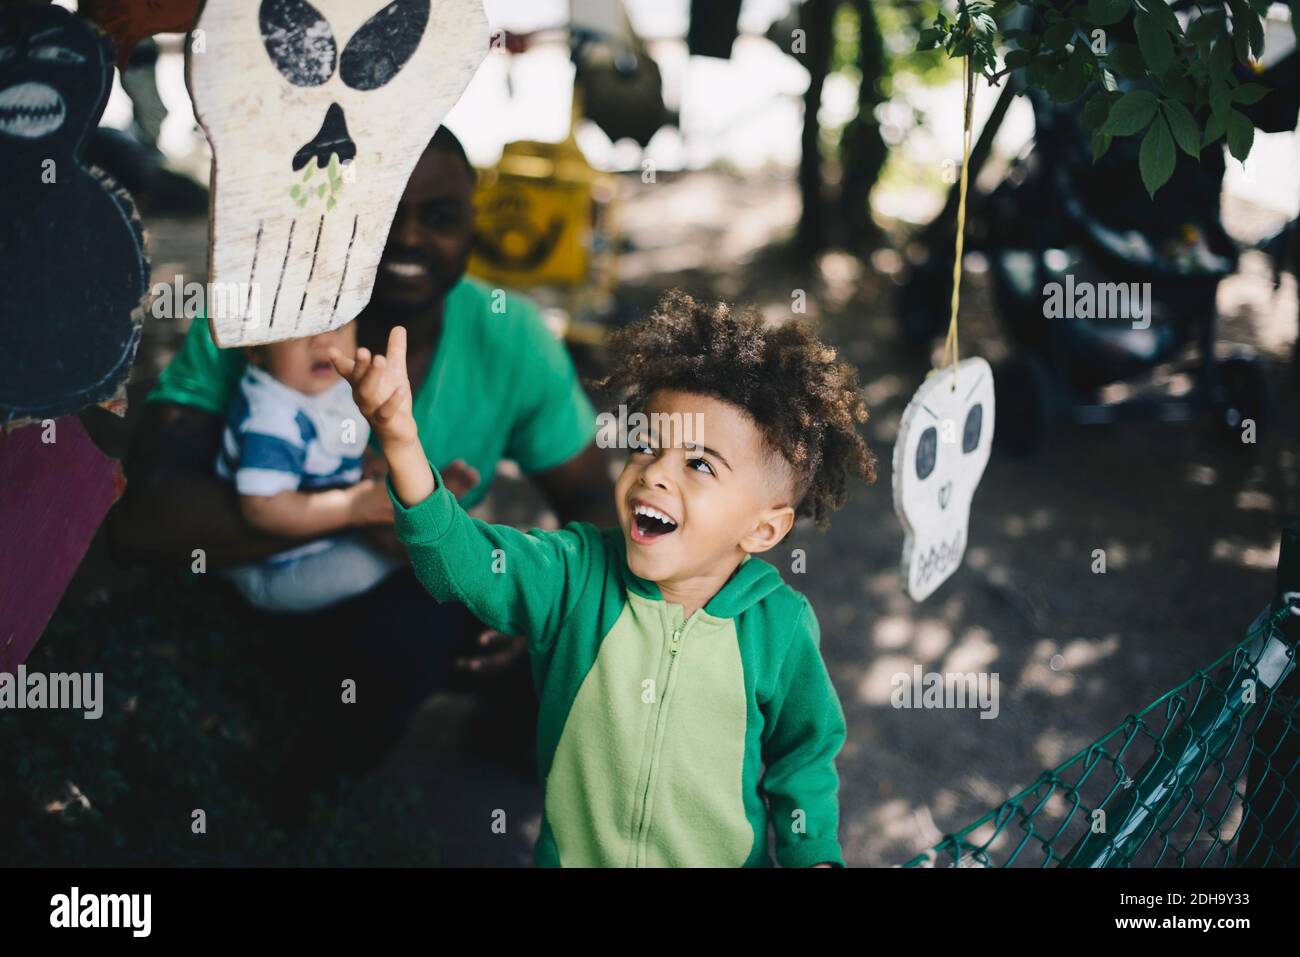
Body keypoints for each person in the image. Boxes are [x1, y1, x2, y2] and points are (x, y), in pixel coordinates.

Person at [109, 127, 613, 819]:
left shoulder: (510, 337)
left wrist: (544, 615)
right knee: (413, 619)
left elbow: (593, 502)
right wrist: (367, 511)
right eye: (380, 214)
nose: (407, 238)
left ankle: (498, 745)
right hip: (253, 596)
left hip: (393, 584)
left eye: (439, 216)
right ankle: (291, 807)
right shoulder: (262, 318)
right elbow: (145, 518)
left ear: (473, 226)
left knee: (562, 618)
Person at [331, 291, 878, 866]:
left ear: (764, 530)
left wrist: (813, 853)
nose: (655, 475)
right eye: (646, 448)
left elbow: (805, 757)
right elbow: (461, 561)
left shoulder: (780, 626)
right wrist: (400, 439)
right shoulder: (573, 573)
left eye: (698, 464)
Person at [213, 321, 399, 613]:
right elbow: (262, 506)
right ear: (255, 349)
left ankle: (433, 502)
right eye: (298, 328)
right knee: (386, 559)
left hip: (311, 537)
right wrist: (351, 507)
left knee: (397, 536)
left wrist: (367, 461)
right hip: (277, 569)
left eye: (337, 325)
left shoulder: (329, 387)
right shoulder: (272, 417)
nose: (322, 340)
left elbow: (336, 439)